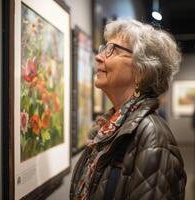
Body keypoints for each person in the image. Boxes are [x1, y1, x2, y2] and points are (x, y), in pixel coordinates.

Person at [70, 19, 187, 200]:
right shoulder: (107, 128)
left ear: (142, 70)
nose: (99, 56)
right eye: (104, 48)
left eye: (113, 50)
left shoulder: (152, 135)